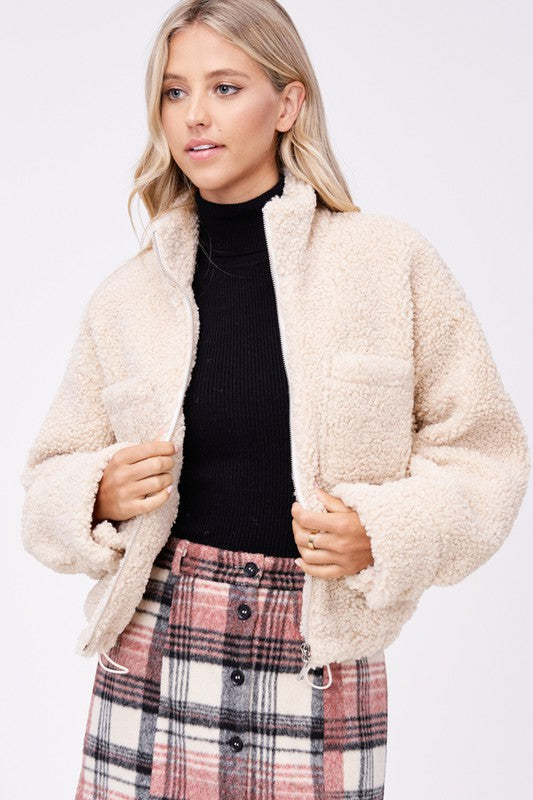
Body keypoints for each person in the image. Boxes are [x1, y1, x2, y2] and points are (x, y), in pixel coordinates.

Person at [19, 1, 530, 798]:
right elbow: (45, 482)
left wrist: (381, 531)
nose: (194, 115)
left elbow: (485, 453)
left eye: (224, 87)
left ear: (287, 103)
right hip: (152, 644)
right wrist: (95, 494)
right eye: (174, 92)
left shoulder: (386, 262)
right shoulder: (126, 298)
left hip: (318, 652)